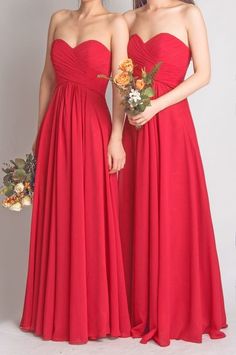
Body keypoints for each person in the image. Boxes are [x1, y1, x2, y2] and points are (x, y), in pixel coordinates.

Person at [20, 0, 130, 344]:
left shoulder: (116, 24)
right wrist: (39, 134)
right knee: (59, 213)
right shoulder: (58, 18)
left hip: (93, 128)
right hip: (56, 129)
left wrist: (116, 137)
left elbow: (121, 85)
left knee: (90, 216)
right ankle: (54, 311)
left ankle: (93, 314)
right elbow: (47, 78)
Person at [119, 0, 228, 346]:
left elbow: (204, 74)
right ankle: (133, 308)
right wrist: (127, 116)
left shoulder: (187, 13)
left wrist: (156, 106)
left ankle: (175, 309)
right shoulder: (127, 18)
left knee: (173, 211)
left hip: (171, 125)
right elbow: (121, 80)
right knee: (131, 210)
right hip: (134, 127)